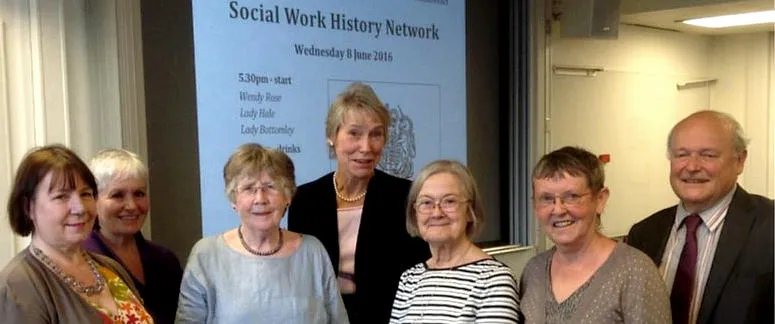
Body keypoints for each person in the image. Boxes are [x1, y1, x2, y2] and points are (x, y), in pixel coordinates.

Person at [288, 81, 430, 323]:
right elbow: (301, 274)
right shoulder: (305, 199)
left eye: (376, 134)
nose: (366, 147)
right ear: (331, 136)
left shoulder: (406, 196)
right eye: (354, 133)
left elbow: (419, 273)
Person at [627, 110, 773, 324]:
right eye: (682, 154)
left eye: (708, 155)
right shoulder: (644, 233)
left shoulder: (770, 225)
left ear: (740, 160)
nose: (692, 166)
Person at [176, 143, 348, 323]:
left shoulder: (313, 251)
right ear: (234, 199)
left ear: (288, 196)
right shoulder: (206, 255)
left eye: (270, 187)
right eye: (249, 188)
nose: (260, 199)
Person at [0, 144, 152, 323]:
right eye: (61, 196)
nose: (80, 208)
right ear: (28, 207)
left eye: (86, 194)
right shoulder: (18, 284)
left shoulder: (111, 269)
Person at [520, 146, 671, 323]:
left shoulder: (635, 272)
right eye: (546, 199)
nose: (558, 209)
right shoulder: (534, 270)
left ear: (600, 199)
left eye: (571, 197)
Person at [389, 160, 520, 323]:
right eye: (426, 203)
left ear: (469, 211)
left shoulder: (494, 280)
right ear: (415, 213)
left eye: (449, 201)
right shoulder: (410, 278)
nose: (436, 213)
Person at [83, 148, 183, 324]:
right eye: (117, 195)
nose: (131, 205)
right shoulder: (81, 263)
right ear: (93, 200)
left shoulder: (165, 261)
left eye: (139, 194)